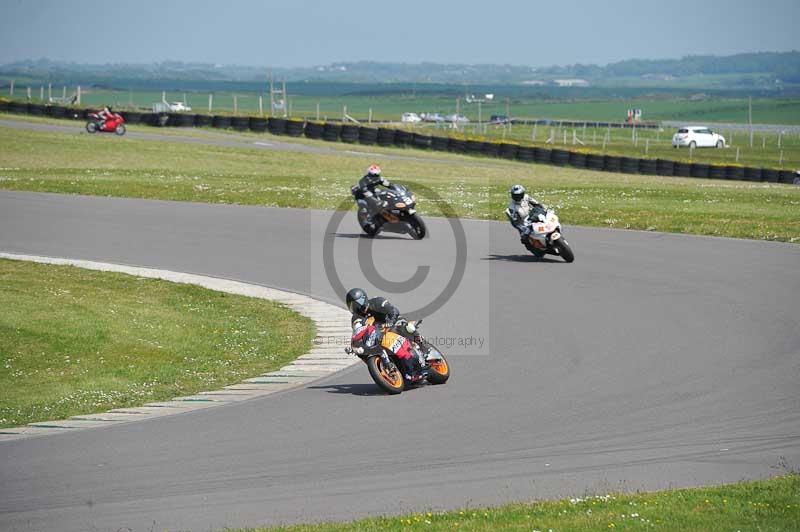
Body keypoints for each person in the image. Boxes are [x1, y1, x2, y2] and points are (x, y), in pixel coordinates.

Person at [345, 287, 425, 382]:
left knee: (405, 326)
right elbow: (357, 331)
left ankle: (422, 345)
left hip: (392, 323)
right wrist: (354, 345)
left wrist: (390, 322)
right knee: (362, 351)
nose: (356, 307)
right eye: (352, 306)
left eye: (357, 303)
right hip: (379, 335)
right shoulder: (356, 317)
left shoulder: (377, 302)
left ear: (364, 299)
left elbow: (393, 311)